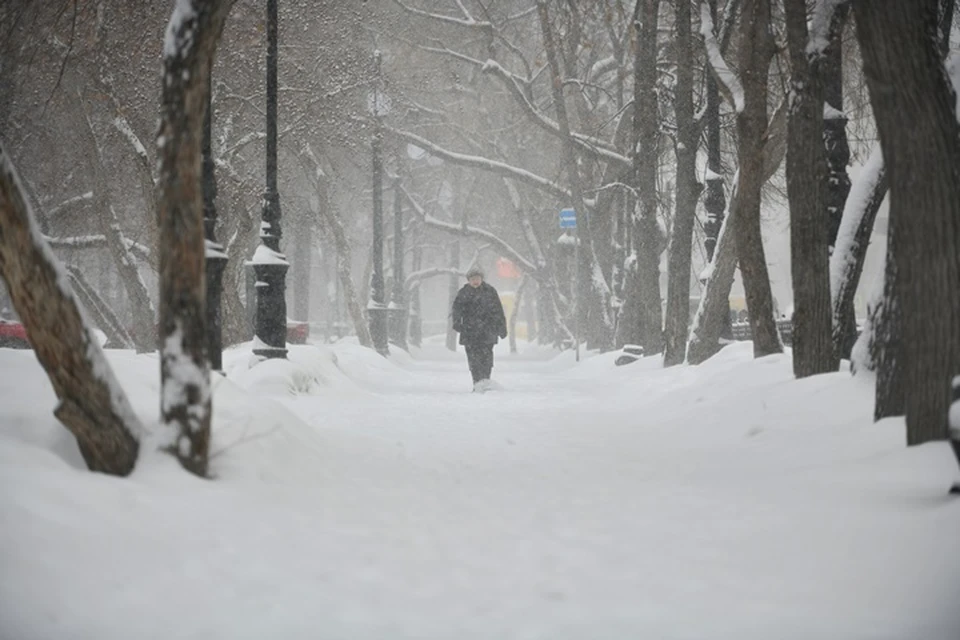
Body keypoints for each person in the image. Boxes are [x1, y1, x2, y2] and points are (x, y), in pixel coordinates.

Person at [451, 266, 507, 392]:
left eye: (477, 278)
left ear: (481, 279)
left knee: (486, 359)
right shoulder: (463, 293)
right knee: (473, 360)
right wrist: (457, 323)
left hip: (488, 331)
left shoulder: (490, 291)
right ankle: (477, 383)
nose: (475, 281)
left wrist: (501, 327)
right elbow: (456, 310)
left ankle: (485, 382)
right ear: (468, 280)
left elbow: (498, 310)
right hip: (470, 332)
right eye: (472, 279)